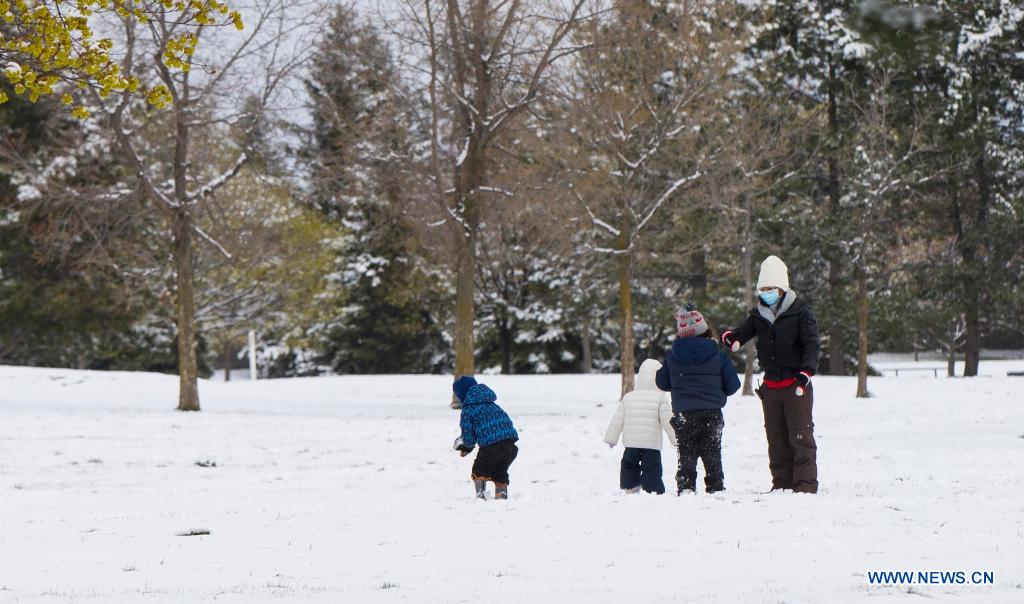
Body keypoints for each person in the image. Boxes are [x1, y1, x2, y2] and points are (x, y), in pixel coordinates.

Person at [720, 255, 821, 494]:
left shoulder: (801, 313)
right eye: (762, 289)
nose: (766, 293)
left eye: (770, 289)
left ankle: (805, 485)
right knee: (776, 439)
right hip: (771, 387)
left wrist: (806, 372)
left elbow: (812, 345)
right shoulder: (759, 314)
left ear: (782, 288)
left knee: (800, 436)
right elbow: (743, 331)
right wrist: (733, 338)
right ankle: (781, 484)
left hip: (797, 385)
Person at [656, 304, 740, 494]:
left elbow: (661, 382)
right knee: (712, 454)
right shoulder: (718, 356)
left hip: (684, 414)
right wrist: (716, 392)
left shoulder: (672, 356)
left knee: (686, 453)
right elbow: (733, 386)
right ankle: (715, 486)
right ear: (704, 330)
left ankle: (686, 486)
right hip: (712, 413)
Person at [603, 359, 677, 494]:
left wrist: (611, 438)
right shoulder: (660, 398)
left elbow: (617, 420)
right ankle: (653, 489)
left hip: (631, 442)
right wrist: (676, 439)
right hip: (651, 444)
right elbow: (668, 421)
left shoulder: (629, 397)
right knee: (651, 467)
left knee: (629, 464)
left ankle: (630, 486)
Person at [452, 376, 519, 500]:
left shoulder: (468, 409)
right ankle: (501, 495)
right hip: (510, 446)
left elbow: (468, 436)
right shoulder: (492, 404)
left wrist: (466, 447)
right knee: (500, 471)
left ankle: (481, 496)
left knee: (479, 469)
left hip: (491, 447)